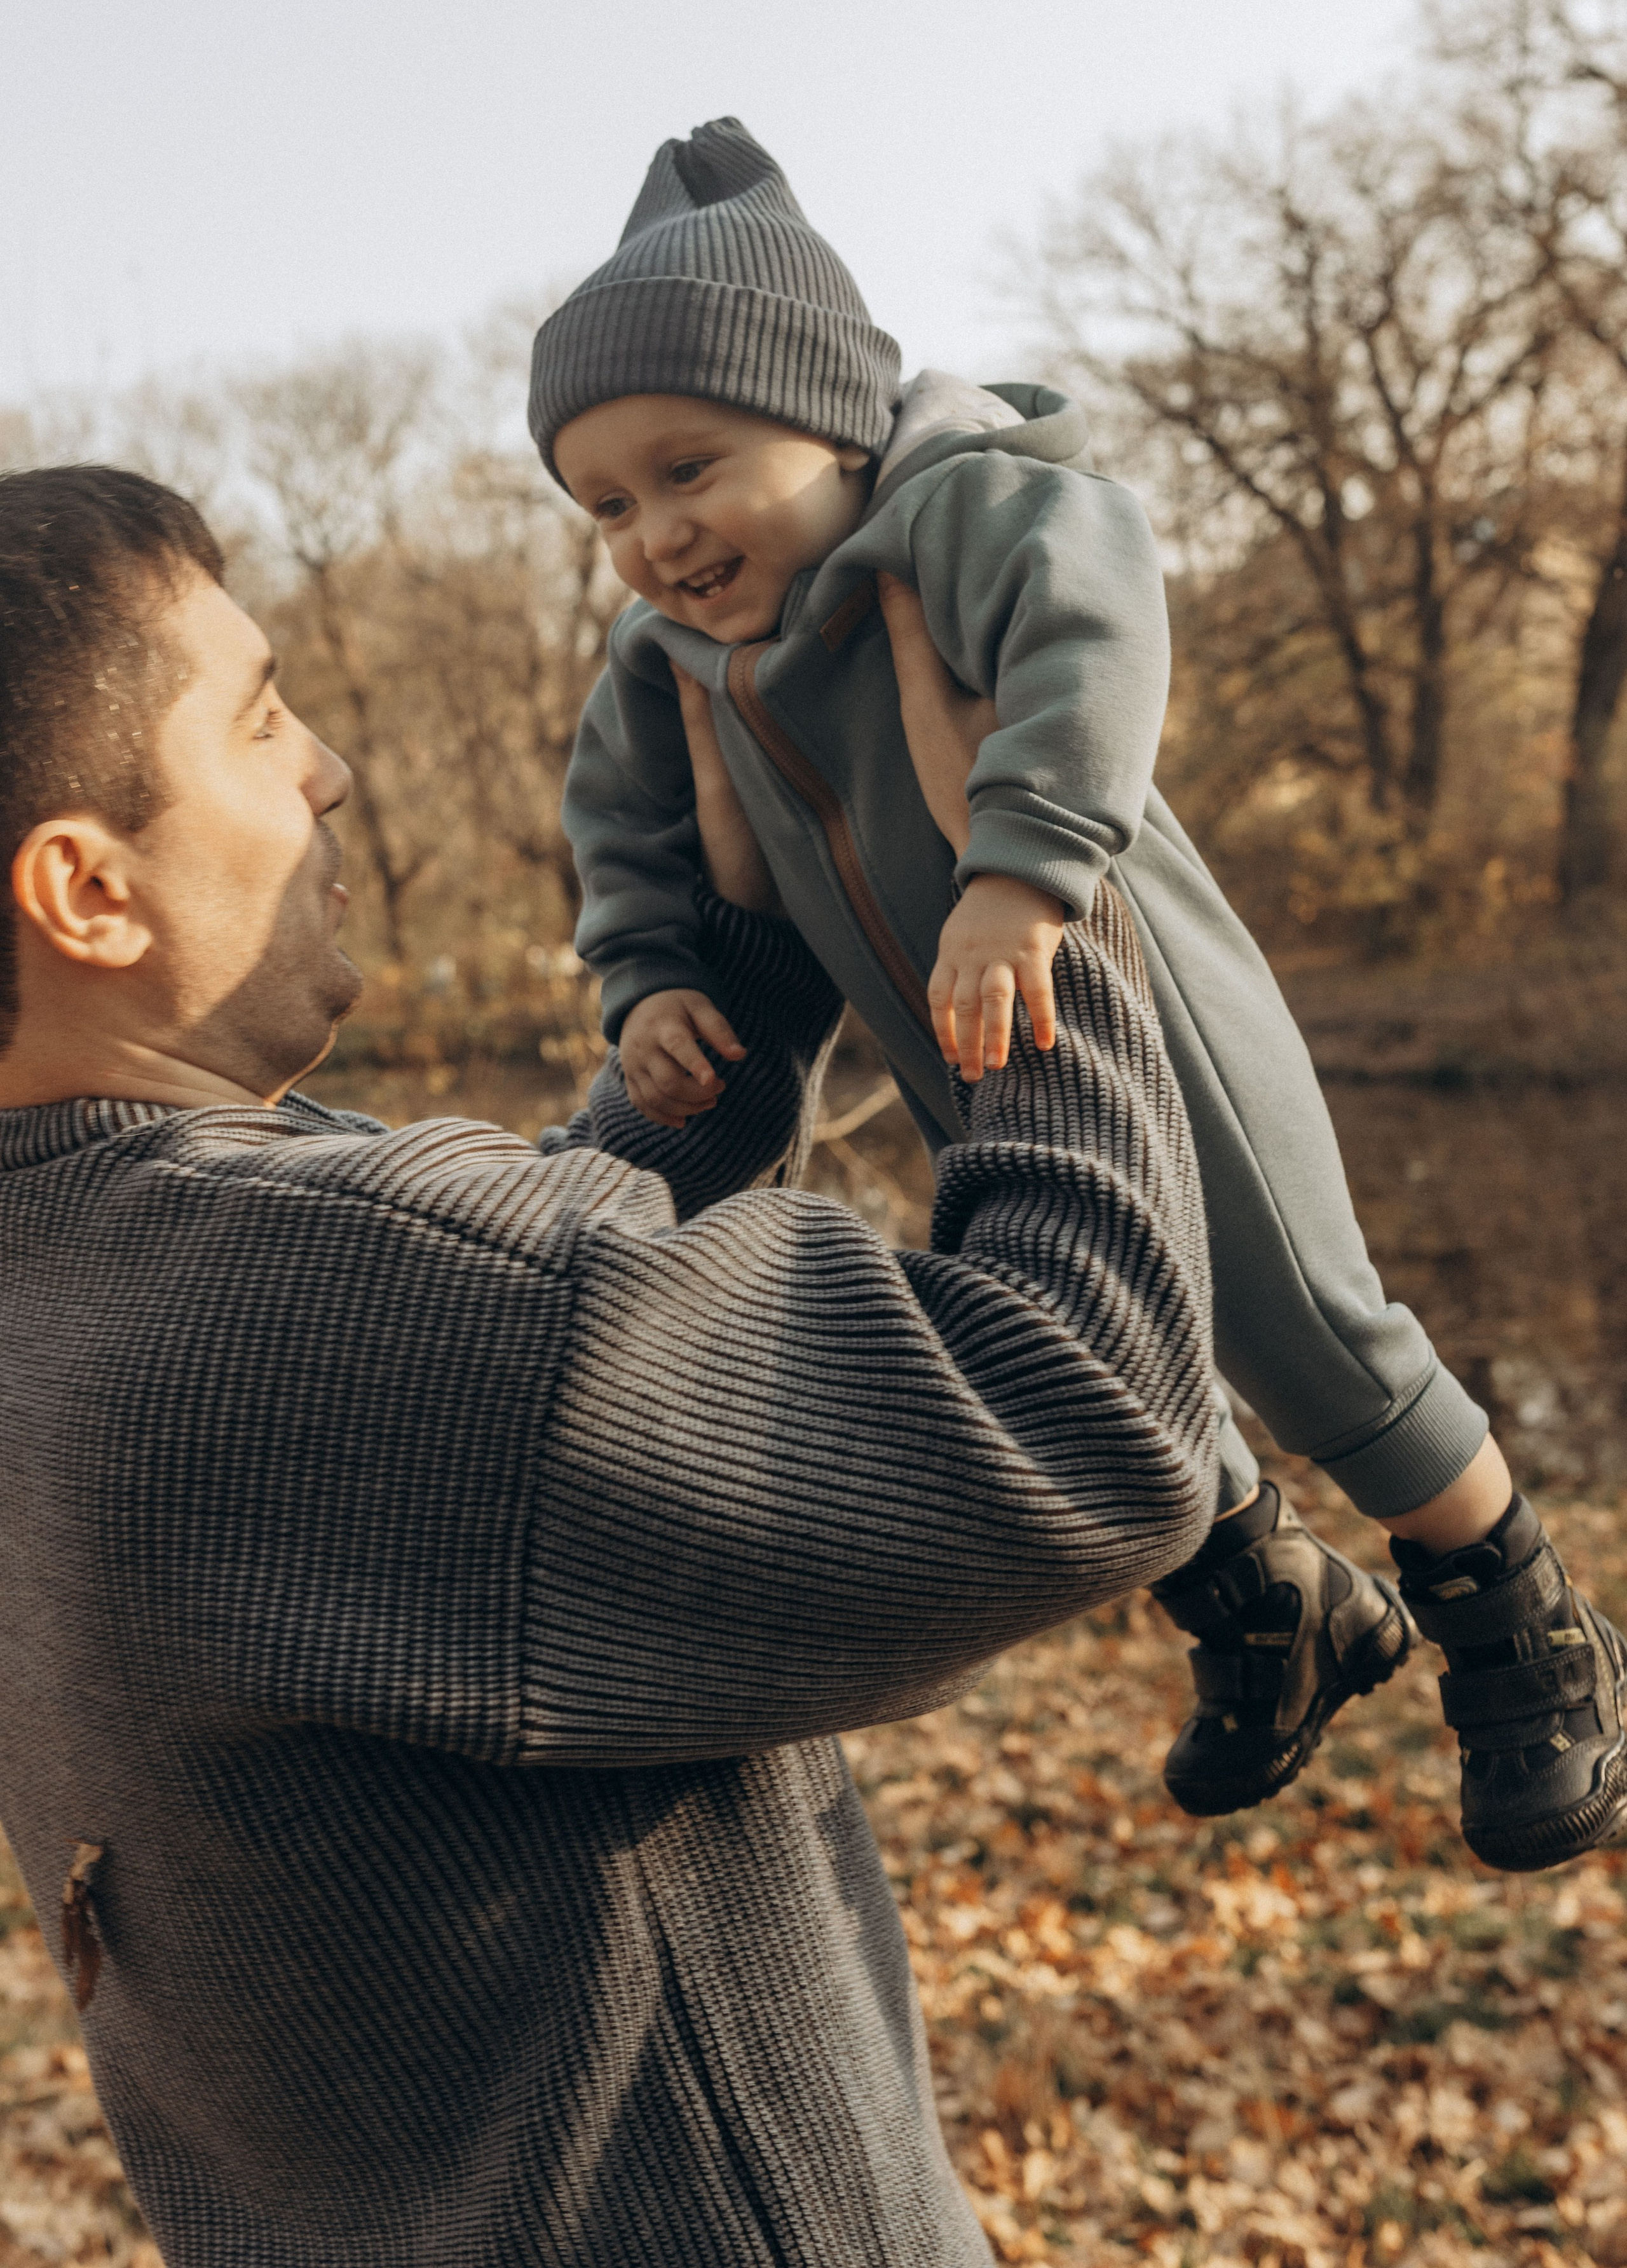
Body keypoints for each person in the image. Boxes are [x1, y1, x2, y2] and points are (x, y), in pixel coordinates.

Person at [0, 463, 1218, 2267]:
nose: (327, 765)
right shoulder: (315, 1298)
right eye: (259, 722)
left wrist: (736, 972)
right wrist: (1029, 876)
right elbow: (1089, 1418)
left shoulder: (78, 1273)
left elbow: (493, 1404)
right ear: (88, 891)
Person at [533, 116, 1627, 1874]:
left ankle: (1529, 1631)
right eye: (606, 505)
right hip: (955, 1057)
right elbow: (625, 837)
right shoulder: (666, 665)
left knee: (1306, 1327)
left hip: (1141, 1002)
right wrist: (646, 978)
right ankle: (1274, 1601)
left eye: (692, 466)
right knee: (1076, 1358)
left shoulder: (960, 509)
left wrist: (1025, 869)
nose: (657, 534)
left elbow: (1094, 629)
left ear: (832, 416)